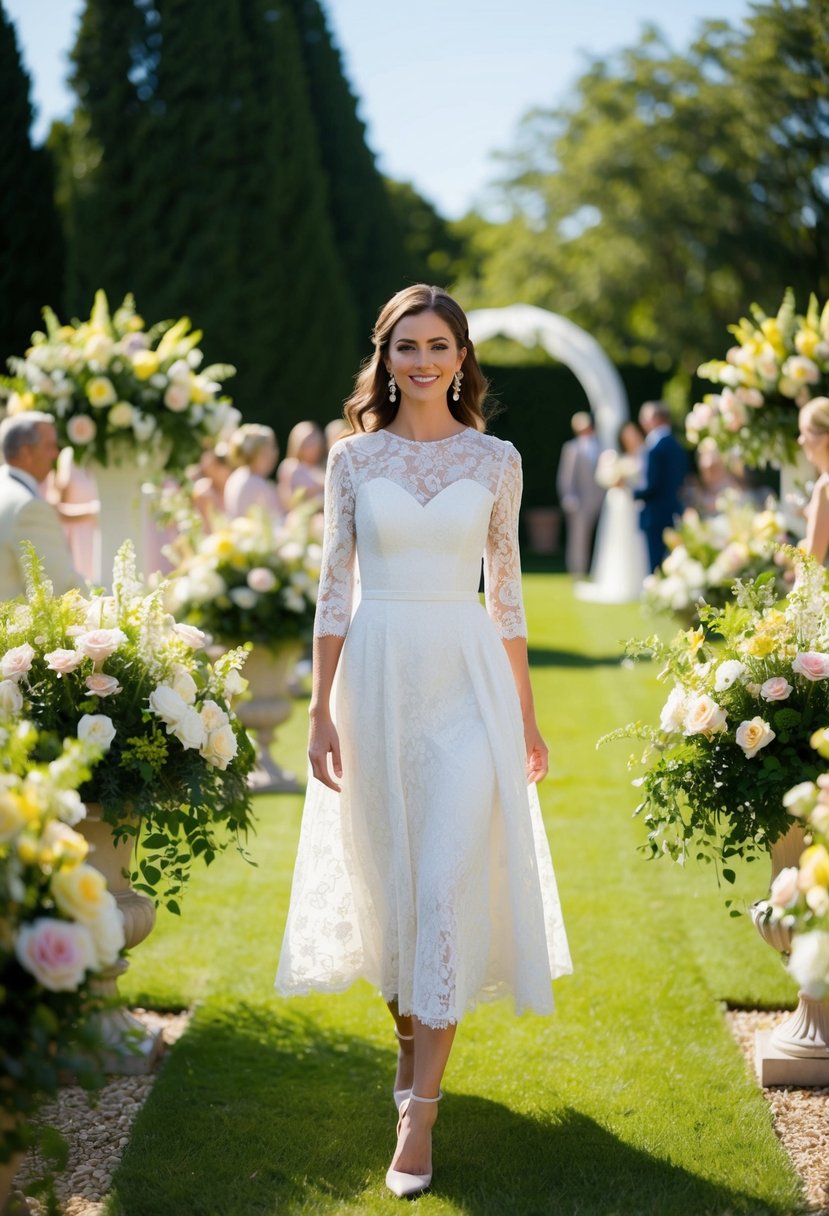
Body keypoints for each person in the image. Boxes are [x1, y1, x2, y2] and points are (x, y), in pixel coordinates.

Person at [275, 285, 571, 1199]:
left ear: (461, 354)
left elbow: (507, 598)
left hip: (466, 682)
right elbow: (333, 590)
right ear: (385, 356)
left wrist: (523, 716)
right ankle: (410, 1047)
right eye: (406, 345)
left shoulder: (498, 457)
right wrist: (320, 709)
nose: (422, 360)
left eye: (438, 344)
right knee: (391, 892)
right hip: (375, 679)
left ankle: (420, 1116)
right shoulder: (352, 461)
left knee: (443, 884)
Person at [0, 412, 79, 598]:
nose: (56, 453)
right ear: (26, 453)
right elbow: (58, 588)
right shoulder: (30, 508)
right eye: (50, 446)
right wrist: (111, 603)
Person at [575, 420, 649, 603]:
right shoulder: (616, 456)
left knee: (635, 541)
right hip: (618, 505)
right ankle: (618, 580)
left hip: (634, 504)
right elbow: (604, 477)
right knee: (617, 541)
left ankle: (639, 581)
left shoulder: (645, 453)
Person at [633, 401, 689, 571]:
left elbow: (652, 485)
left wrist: (633, 493)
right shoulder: (677, 444)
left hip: (655, 513)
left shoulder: (656, 447)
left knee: (655, 562)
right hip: (673, 509)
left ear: (656, 419)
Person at [556, 412, 604, 576]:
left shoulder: (601, 445)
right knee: (578, 539)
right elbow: (566, 476)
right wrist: (568, 497)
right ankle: (578, 571)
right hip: (581, 501)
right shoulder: (572, 448)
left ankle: (598, 570)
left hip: (600, 499)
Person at [44, 446, 100, 582]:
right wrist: (91, 512)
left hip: (98, 534)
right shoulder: (69, 457)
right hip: (77, 537)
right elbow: (56, 510)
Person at [223, 424, 282, 519]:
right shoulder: (256, 483)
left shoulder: (237, 476)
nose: (275, 453)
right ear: (262, 453)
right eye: (272, 448)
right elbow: (275, 521)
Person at [798, 396, 829, 564]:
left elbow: (813, 562)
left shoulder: (824, 487)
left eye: (805, 433)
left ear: (823, 439)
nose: (801, 440)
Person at [276, 420, 325, 513]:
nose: (313, 445)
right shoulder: (291, 466)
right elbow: (287, 501)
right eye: (309, 441)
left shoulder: (321, 467)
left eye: (315, 440)